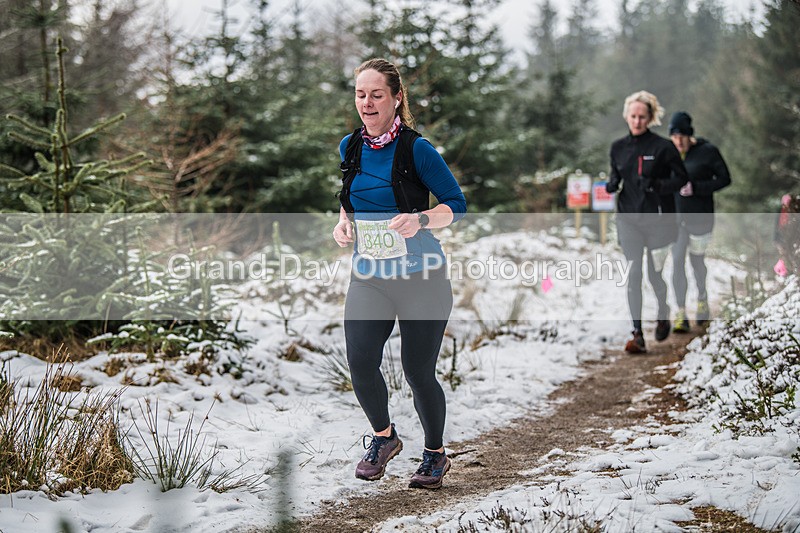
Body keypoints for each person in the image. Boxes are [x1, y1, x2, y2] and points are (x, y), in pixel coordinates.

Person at [332, 58, 466, 489]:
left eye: (376, 94)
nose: (366, 103)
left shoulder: (416, 149)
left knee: (417, 370)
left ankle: (435, 454)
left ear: (396, 98)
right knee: (360, 359)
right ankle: (384, 438)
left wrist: (422, 219)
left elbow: (455, 205)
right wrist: (343, 221)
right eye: (360, 94)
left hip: (421, 277)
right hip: (370, 275)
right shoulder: (349, 147)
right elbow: (352, 197)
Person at [607, 90, 689, 354]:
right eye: (633, 116)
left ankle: (663, 313)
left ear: (651, 117)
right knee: (633, 273)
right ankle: (637, 333)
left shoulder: (663, 148)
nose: (637, 121)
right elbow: (616, 176)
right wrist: (611, 184)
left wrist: (656, 185)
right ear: (626, 116)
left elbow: (681, 180)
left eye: (642, 116)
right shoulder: (618, 148)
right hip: (628, 219)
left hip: (657, 221)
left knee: (654, 275)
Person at [668, 111, 731, 332]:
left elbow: (725, 178)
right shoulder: (668, 155)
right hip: (675, 220)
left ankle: (702, 300)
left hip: (700, 217)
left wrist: (697, 188)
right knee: (676, 262)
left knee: (696, 261)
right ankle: (680, 312)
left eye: (682, 137)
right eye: (674, 137)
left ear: (690, 136)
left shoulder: (708, 152)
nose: (679, 142)